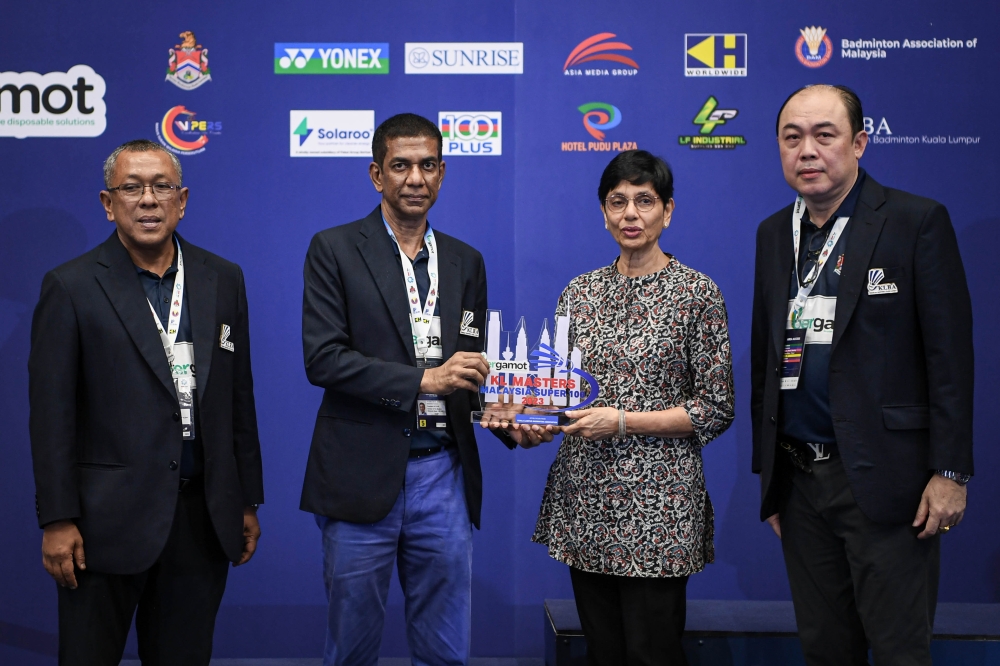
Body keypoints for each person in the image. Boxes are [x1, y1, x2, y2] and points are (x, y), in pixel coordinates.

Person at [300, 113, 552, 666]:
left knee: (445, 649)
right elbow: (324, 359)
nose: (415, 178)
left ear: (443, 174)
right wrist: (424, 380)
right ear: (376, 175)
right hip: (360, 475)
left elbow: (472, 369)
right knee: (352, 647)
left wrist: (510, 418)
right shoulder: (335, 249)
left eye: (428, 165)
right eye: (401, 166)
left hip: (443, 474)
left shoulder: (464, 261)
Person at [750, 85, 973, 665]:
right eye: (792, 137)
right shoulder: (774, 233)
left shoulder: (915, 221)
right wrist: (769, 476)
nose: (807, 151)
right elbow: (765, 358)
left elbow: (950, 359)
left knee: (900, 652)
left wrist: (951, 471)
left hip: (888, 482)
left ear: (859, 143)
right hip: (800, 483)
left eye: (825, 135)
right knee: (826, 651)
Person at [29, 139, 264, 665]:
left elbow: (238, 397)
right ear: (108, 203)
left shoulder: (223, 278)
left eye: (161, 187)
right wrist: (58, 519)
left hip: (201, 519)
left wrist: (246, 498)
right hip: (101, 527)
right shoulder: (71, 286)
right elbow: (51, 417)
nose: (148, 200)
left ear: (182, 200)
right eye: (131, 188)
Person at [529, 150, 734, 665]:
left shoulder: (697, 293)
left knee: (652, 653)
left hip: (659, 508)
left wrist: (621, 421)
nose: (630, 214)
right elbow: (553, 393)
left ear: (668, 211)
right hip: (586, 501)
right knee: (604, 651)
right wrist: (527, 418)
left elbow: (715, 407)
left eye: (644, 201)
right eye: (617, 202)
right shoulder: (578, 294)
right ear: (603, 212)